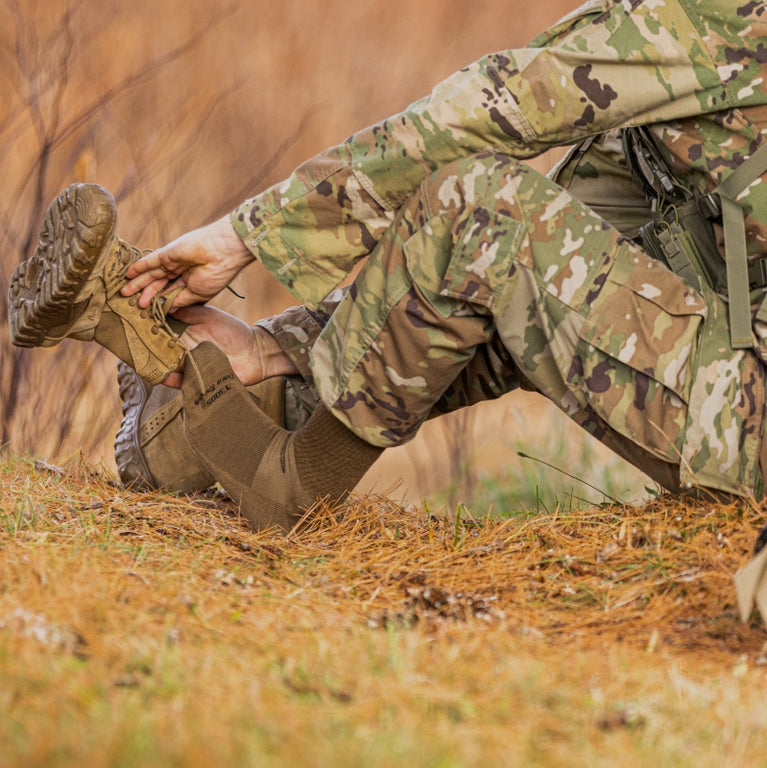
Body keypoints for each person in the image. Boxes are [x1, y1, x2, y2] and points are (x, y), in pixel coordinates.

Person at [9, 0, 767, 535]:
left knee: (484, 211)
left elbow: (491, 108)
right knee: (575, 213)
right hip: (737, 382)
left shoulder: (725, 20)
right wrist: (287, 345)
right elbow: (560, 264)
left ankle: (292, 482)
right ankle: (211, 399)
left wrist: (246, 235)